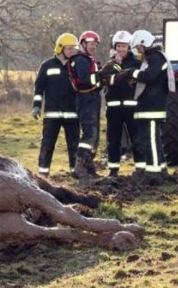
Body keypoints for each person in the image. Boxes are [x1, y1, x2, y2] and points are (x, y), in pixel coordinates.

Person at [116, 30, 175, 185]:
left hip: (152, 107)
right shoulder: (152, 58)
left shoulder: (156, 58)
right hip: (148, 107)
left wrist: (131, 72)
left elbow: (149, 76)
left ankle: (153, 174)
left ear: (144, 43)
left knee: (151, 141)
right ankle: (161, 169)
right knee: (152, 140)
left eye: (139, 48)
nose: (139, 51)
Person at [31, 33, 80, 177]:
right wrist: (36, 106)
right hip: (52, 114)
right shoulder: (47, 66)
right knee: (47, 144)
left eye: (73, 49)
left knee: (74, 145)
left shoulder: (76, 65)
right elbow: (39, 87)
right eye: (69, 48)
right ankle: (43, 173)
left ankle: (75, 172)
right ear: (60, 48)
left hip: (72, 114)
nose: (72, 51)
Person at [103, 30, 143, 177]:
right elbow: (106, 80)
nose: (121, 49)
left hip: (132, 107)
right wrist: (123, 75)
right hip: (113, 108)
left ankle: (140, 169)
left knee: (137, 139)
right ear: (114, 47)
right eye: (118, 46)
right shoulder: (110, 64)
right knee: (113, 140)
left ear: (129, 47)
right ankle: (113, 170)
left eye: (124, 46)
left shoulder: (137, 64)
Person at [66, 30, 102, 179]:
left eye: (95, 44)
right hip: (86, 98)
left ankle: (89, 168)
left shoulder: (88, 59)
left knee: (95, 135)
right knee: (90, 133)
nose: (93, 47)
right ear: (83, 44)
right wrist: (102, 74)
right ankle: (79, 167)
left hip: (92, 97)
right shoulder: (81, 60)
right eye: (90, 44)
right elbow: (85, 80)